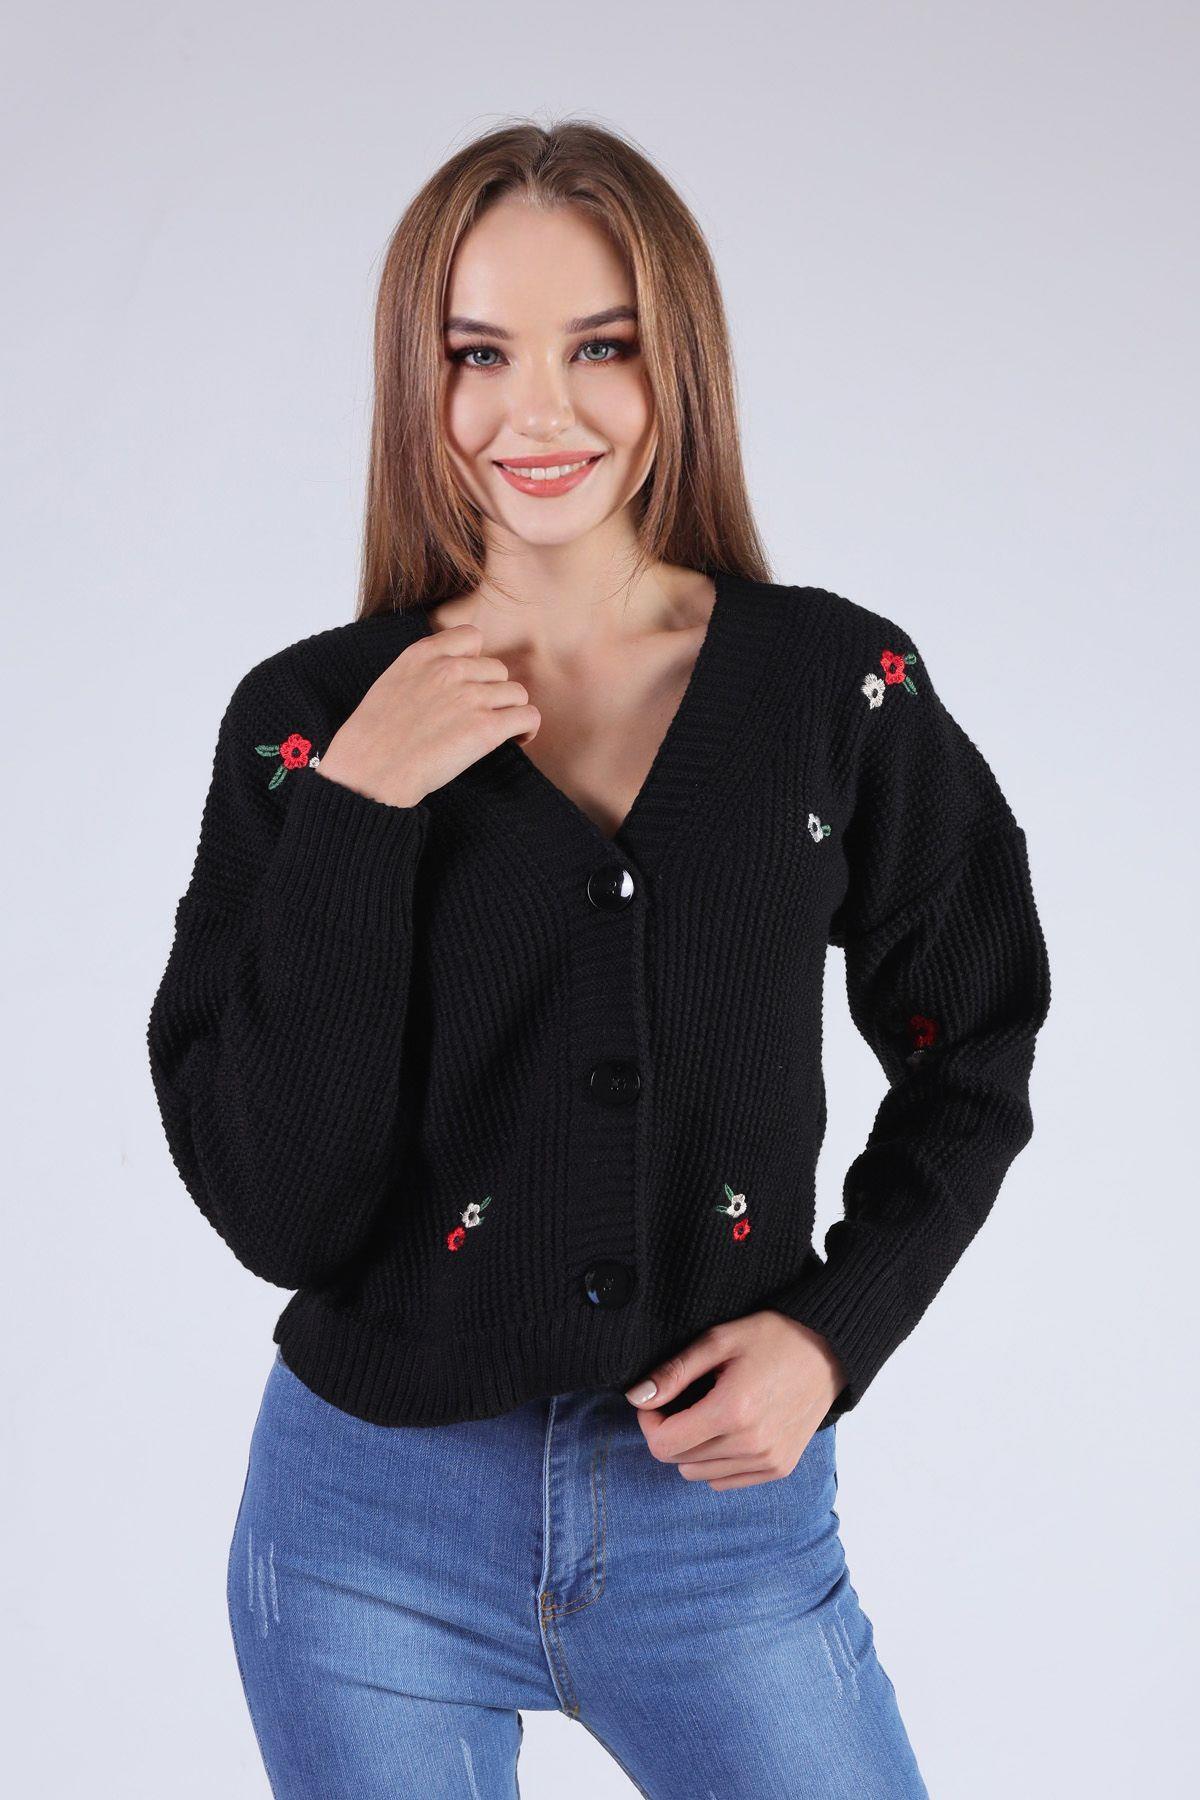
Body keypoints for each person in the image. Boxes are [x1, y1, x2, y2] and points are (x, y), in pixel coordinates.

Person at [147, 118, 1051, 1798]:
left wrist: (833, 1332)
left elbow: (975, 1040)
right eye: (479, 353)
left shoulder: (836, 689)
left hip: (721, 1533)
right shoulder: (308, 722)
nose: (539, 412)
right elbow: (278, 1211)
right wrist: (358, 810)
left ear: (676, 362)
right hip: (363, 1543)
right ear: (416, 376)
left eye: (603, 347)